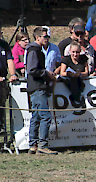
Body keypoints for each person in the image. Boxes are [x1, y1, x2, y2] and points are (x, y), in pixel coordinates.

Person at [26, 26, 58, 155]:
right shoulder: (34, 51)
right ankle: (42, 145)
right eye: (44, 36)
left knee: (37, 116)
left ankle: (33, 145)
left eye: (48, 36)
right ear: (37, 37)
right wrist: (47, 73)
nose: (47, 39)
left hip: (36, 87)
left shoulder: (36, 50)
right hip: (37, 87)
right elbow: (32, 70)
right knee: (45, 116)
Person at [0, 26, 18, 134]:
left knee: (2, 104)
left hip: (2, 81)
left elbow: (9, 60)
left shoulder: (4, 45)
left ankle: (1, 126)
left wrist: (13, 74)